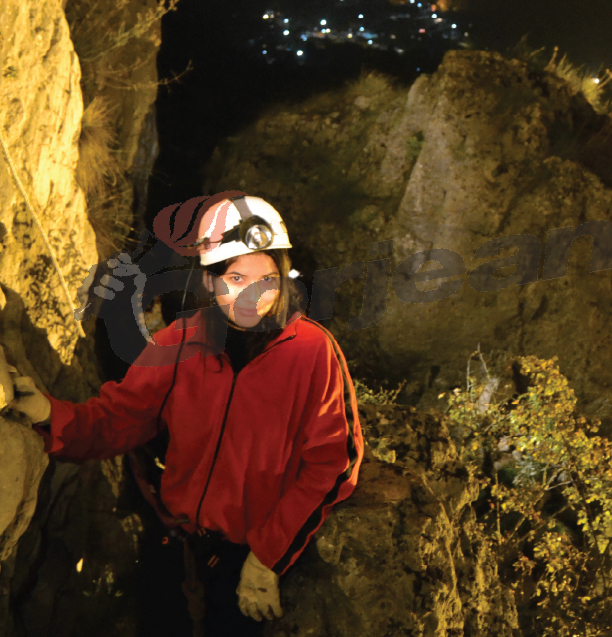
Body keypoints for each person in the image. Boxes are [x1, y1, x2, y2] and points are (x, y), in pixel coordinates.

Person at [6, 195, 364, 635]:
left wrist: (265, 560)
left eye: (267, 279)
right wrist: (48, 413)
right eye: (236, 278)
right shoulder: (181, 342)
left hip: (247, 561)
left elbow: (335, 463)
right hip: (177, 552)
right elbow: (119, 418)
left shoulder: (312, 352)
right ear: (210, 281)